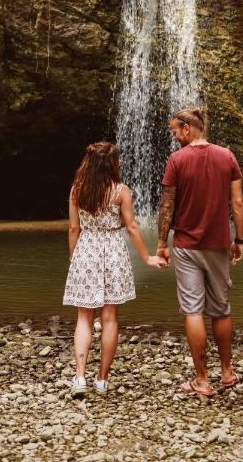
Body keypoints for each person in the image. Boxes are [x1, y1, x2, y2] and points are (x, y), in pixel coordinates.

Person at [63, 141, 166, 396]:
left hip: (86, 250)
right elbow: (131, 227)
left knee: (84, 318)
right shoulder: (121, 191)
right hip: (114, 253)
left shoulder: (77, 190)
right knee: (109, 319)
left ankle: (79, 378)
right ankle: (101, 380)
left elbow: (74, 228)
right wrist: (147, 258)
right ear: (112, 164)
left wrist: (73, 258)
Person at [156, 107, 243, 397]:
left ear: (186, 128)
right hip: (218, 244)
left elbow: (167, 206)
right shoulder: (227, 156)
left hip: (186, 245)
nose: (173, 136)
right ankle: (228, 372)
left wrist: (161, 244)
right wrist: (240, 240)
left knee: (193, 310)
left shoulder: (177, 160)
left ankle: (202, 380)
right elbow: (238, 203)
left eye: (174, 131)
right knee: (221, 308)